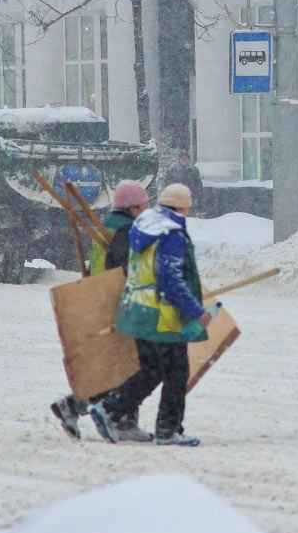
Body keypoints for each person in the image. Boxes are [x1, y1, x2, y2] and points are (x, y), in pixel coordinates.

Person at [90, 183, 210, 447]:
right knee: (177, 372)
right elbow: (171, 278)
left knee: (151, 369)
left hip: (138, 309)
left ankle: (109, 409)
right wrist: (194, 311)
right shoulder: (170, 233)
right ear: (182, 206)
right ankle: (168, 430)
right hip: (162, 315)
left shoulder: (143, 226)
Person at [50, 181, 152, 442]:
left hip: (102, 299)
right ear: (133, 207)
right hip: (120, 301)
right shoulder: (127, 231)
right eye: (144, 205)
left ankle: (73, 406)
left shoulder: (109, 226)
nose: (147, 209)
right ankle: (122, 421)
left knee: (113, 366)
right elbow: (128, 268)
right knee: (131, 365)